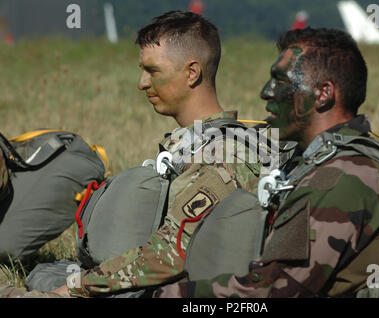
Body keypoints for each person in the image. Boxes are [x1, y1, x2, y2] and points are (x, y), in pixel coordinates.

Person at [0, 10, 277, 298]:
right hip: (161, 280)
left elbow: (170, 256)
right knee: (46, 272)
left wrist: (75, 289)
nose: (142, 83)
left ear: (191, 72)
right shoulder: (195, 144)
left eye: (153, 71)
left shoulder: (225, 154)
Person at [153, 27, 379, 298]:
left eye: (281, 81)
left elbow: (273, 292)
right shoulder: (318, 164)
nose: (266, 92)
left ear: (323, 94)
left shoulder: (341, 178)